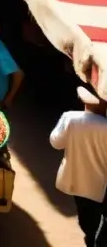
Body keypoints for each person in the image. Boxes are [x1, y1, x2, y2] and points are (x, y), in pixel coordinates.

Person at [51, 86, 107, 246]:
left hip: (76, 181)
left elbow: (55, 143)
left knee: (85, 218)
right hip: (101, 187)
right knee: (100, 222)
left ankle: (90, 238)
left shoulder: (70, 118)